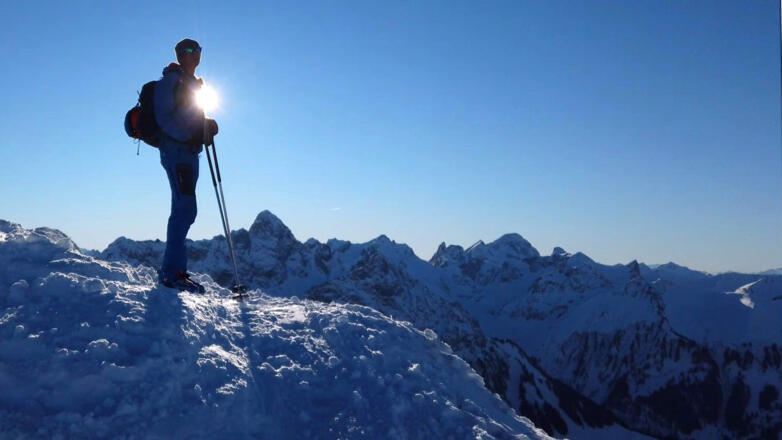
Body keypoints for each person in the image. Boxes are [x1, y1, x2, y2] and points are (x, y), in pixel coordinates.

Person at [154, 38, 218, 292]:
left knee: (184, 208)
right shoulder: (171, 80)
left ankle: (175, 271)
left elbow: (187, 117)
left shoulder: (193, 85)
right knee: (185, 208)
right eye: (188, 50)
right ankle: (172, 273)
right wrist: (190, 135)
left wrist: (205, 127)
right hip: (177, 151)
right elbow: (164, 118)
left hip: (189, 152)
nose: (194, 54)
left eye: (198, 50)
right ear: (179, 55)